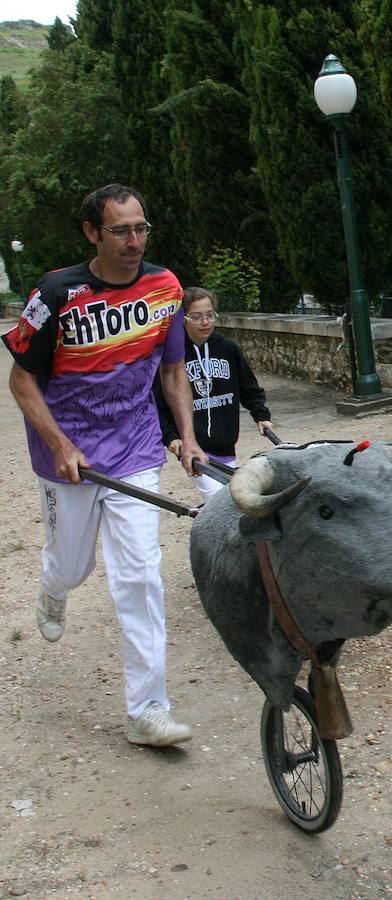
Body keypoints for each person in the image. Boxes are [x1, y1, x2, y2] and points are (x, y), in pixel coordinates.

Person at [2, 183, 207, 747]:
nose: (134, 240)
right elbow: (22, 382)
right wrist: (61, 445)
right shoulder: (57, 293)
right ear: (92, 232)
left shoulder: (166, 288)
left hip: (135, 448)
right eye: (120, 230)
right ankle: (53, 585)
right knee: (74, 568)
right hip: (68, 458)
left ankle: (148, 711)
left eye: (141, 227)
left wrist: (187, 440)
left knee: (140, 575)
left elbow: (171, 373)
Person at [154, 286, 273, 503]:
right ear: (184, 318)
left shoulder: (228, 349)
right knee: (224, 501)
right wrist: (171, 436)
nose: (205, 322)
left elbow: (249, 387)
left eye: (210, 315)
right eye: (197, 317)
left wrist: (261, 414)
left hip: (226, 446)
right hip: (195, 449)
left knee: (236, 500)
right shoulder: (172, 355)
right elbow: (158, 403)